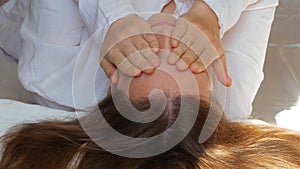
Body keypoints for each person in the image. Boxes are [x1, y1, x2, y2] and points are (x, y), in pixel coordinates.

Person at [0, 0, 278, 121]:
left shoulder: (52, 78)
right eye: (188, 55)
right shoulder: (231, 95)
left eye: (148, 54)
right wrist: (211, 13)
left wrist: (112, 15)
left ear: (112, 82)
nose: (169, 34)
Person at [1, 58, 300, 168]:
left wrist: (115, 19)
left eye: (142, 63)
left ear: (109, 90)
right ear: (210, 94)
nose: (164, 42)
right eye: (188, 62)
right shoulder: (237, 76)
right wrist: (212, 15)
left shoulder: (48, 73)